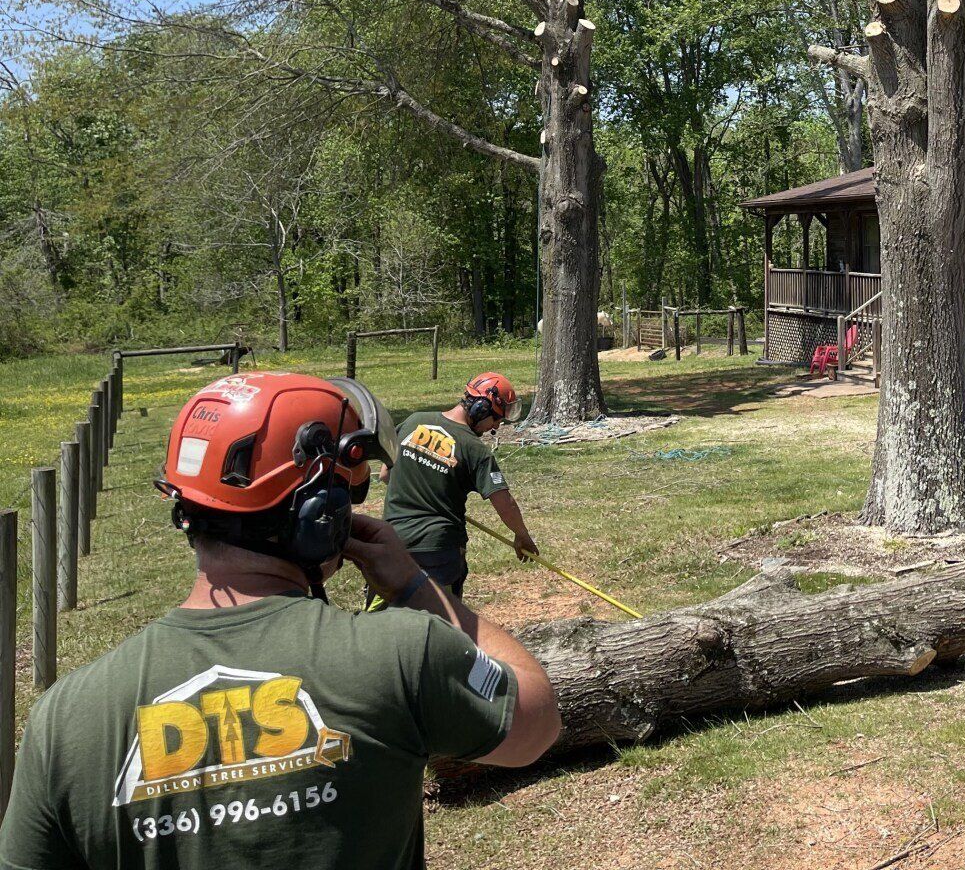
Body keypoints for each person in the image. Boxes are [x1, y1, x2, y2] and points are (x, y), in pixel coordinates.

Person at [0, 372, 559, 870]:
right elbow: (537, 719)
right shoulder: (404, 654)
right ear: (322, 515)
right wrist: (417, 588)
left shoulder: (62, 720)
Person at [381, 372, 537, 598]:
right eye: (496, 419)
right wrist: (522, 535)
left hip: (392, 543)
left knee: (387, 613)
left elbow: (385, 475)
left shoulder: (413, 421)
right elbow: (505, 503)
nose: (494, 427)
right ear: (481, 409)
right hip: (437, 550)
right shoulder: (475, 449)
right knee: (441, 617)